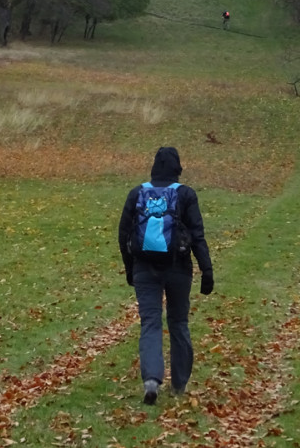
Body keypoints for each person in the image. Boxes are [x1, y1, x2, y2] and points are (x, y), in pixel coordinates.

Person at [118, 146, 213, 405]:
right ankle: (179, 384)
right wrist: (206, 269)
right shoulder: (185, 195)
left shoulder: (137, 193)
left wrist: (130, 269)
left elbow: (123, 234)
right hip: (178, 268)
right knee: (178, 322)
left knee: (150, 322)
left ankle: (151, 381)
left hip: (143, 267)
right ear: (177, 169)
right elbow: (197, 235)